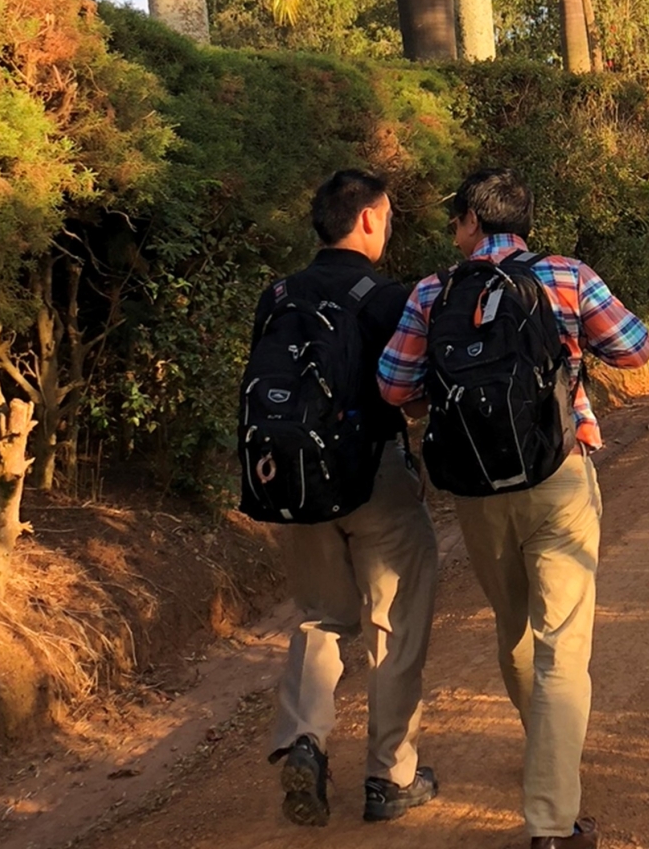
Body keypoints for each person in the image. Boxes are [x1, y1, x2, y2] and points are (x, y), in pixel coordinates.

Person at [379, 167, 649, 849]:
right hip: (557, 474)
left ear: (473, 221)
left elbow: (393, 386)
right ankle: (551, 822)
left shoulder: (432, 290)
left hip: (475, 489)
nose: (453, 229)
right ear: (521, 221)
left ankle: (547, 753)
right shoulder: (565, 275)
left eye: (456, 218)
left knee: (514, 629)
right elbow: (635, 349)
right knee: (563, 643)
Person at [256, 170, 440, 827]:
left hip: (298, 482)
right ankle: (390, 778)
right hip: (373, 479)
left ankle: (305, 738)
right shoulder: (387, 297)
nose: (387, 228)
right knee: (396, 625)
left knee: (319, 617)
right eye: (386, 217)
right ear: (366, 218)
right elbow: (410, 392)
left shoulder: (279, 295)